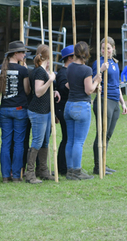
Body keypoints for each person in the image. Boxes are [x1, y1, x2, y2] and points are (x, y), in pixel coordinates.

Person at [65, 41, 106, 181]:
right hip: (81, 106)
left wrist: (94, 80)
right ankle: (77, 171)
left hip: (69, 105)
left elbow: (71, 85)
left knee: (70, 140)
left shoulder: (70, 67)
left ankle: (70, 170)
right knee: (78, 142)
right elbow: (88, 90)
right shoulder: (86, 69)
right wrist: (97, 80)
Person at [92, 37, 127, 176]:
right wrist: (100, 70)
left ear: (113, 48)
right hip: (103, 100)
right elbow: (94, 81)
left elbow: (117, 85)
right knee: (101, 134)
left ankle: (103, 163)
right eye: (102, 48)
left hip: (114, 102)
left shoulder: (114, 63)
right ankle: (98, 166)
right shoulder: (99, 62)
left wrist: (123, 102)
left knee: (107, 135)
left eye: (107, 48)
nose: (105, 50)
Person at [0, 40, 31, 182]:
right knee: (19, 143)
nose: (24, 55)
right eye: (22, 52)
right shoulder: (23, 70)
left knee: (5, 142)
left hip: (4, 108)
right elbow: (27, 90)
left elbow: (0, 89)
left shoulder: (0, 69)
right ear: (15, 53)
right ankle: (16, 175)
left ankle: (5, 175)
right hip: (19, 109)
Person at [25, 45, 60, 184]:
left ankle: (43, 170)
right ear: (48, 57)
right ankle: (30, 174)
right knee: (37, 142)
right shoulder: (39, 71)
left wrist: (52, 92)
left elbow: (43, 92)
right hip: (38, 111)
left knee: (45, 141)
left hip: (45, 111)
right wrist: (51, 80)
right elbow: (38, 92)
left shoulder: (43, 71)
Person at [55, 45, 74, 176]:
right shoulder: (63, 73)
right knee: (66, 138)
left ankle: (67, 165)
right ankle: (62, 167)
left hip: (67, 108)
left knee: (68, 138)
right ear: (70, 58)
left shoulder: (69, 71)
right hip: (63, 109)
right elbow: (62, 89)